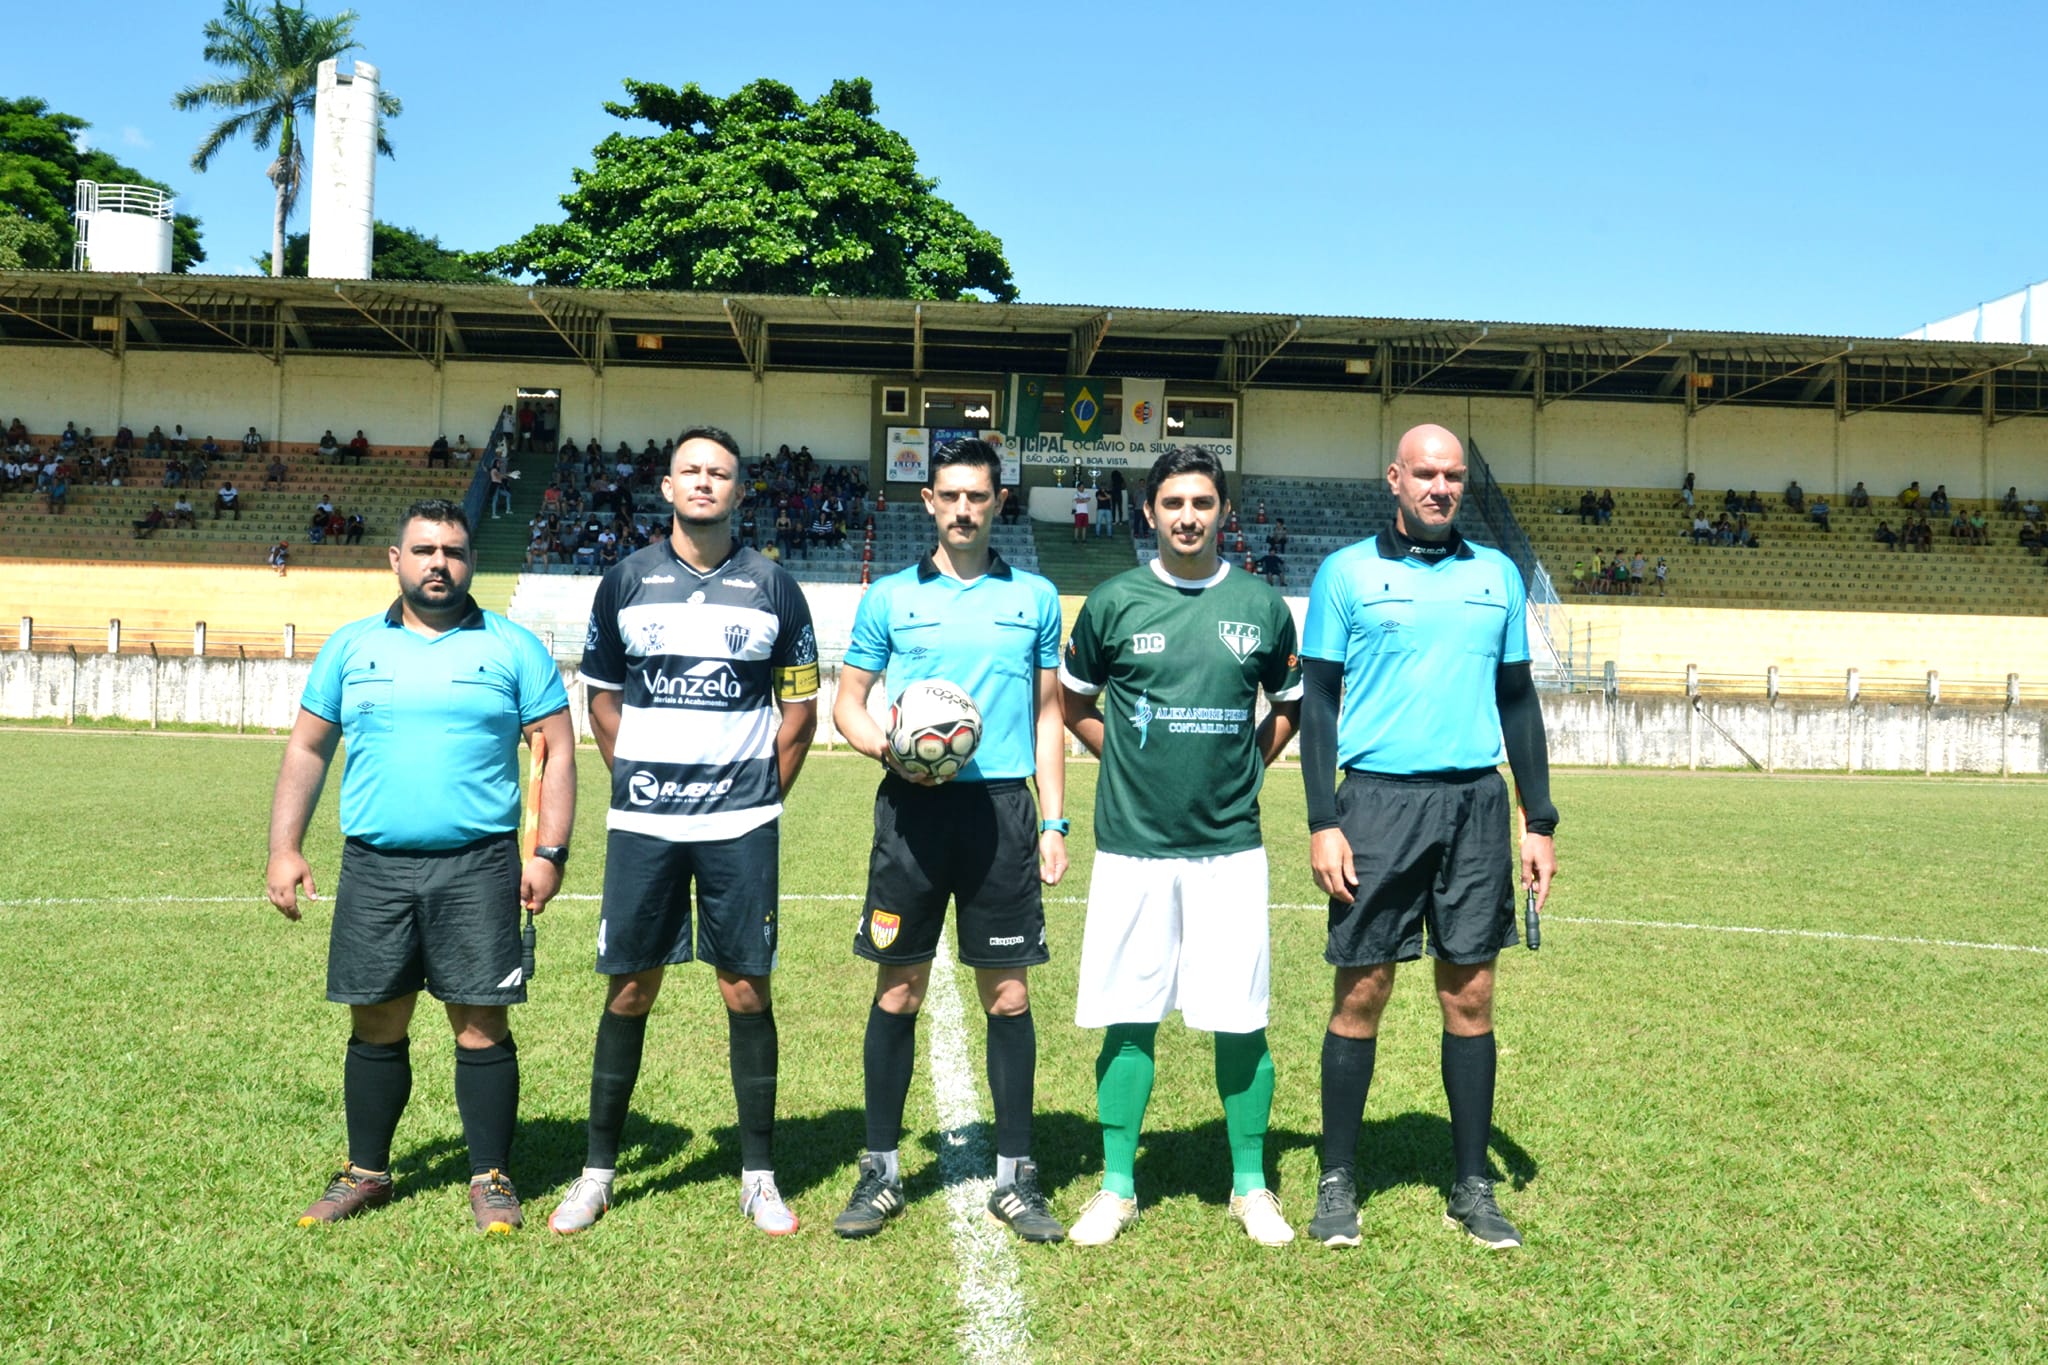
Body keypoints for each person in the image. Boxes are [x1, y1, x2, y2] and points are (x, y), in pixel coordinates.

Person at [265, 499, 575, 1235]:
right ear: (395, 560)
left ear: (473, 562)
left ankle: (491, 1174)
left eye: (456, 551)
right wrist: (284, 845)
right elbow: (308, 749)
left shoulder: (512, 647)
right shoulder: (350, 647)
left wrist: (549, 852)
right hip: (375, 866)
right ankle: (366, 1170)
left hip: (480, 864)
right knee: (376, 1018)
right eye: (425, 549)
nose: (441, 562)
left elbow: (557, 748)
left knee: (479, 1022)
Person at [551, 426, 820, 1239]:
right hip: (645, 821)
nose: (704, 483)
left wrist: (755, 797)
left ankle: (759, 1175)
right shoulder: (625, 581)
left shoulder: (776, 586)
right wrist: (637, 771)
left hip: (741, 824)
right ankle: (597, 1173)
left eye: (720, 473)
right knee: (630, 984)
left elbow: (800, 714)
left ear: (741, 491)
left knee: (746, 986)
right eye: (690, 471)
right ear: (666, 487)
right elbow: (600, 699)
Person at [1300, 423, 1558, 1252]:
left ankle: (1471, 1185)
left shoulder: (1499, 576)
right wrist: (1322, 820)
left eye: (1452, 475)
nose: (1441, 487)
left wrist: (1538, 818)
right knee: (1362, 989)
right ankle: (1338, 1179)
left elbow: (1518, 700)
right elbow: (1317, 708)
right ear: (1394, 478)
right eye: (1425, 473)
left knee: (1471, 995)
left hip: (1476, 805)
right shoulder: (1346, 572)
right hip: (1375, 804)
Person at [1057, 446, 1303, 1247]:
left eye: (1202, 502)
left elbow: (1290, 705)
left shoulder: (1263, 605)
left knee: (1241, 1016)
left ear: (1223, 510)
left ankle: (1251, 1185)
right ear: (1150, 513)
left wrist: (1242, 767)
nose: (1188, 516)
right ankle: (1117, 1185)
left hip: (1229, 848)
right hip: (1132, 847)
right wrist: (1127, 759)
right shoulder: (1114, 601)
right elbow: (1075, 702)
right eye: (1173, 503)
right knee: (1128, 1015)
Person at [829, 437, 1068, 1244]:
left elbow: (1047, 717)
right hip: (913, 810)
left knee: (1009, 994)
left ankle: (1015, 1174)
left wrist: (1056, 819)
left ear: (999, 502)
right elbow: (850, 702)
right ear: (926, 502)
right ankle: (881, 1169)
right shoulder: (889, 597)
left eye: (977, 495)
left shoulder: (1035, 597)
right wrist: (886, 747)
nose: (963, 507)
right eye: (949, 495)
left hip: (1001, 812)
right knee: (897, 989)